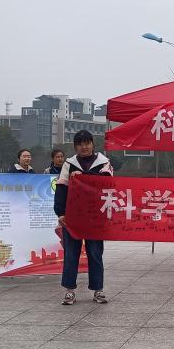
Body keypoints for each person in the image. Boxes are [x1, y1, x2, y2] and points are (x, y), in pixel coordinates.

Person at [54, 130, 113, 305]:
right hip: (73, 217)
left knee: (95, 253)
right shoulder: (69, 164)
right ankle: (69, 291)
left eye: (87, 143)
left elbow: (107, 183)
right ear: (75, 147)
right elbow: (61, 190)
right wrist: (60, 213)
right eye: (80, 144)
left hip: (95, 216)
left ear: (93, 144)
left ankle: (98, 290)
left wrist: (83, 177)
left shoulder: (104, 162)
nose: (84, 147)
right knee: (71, 254)